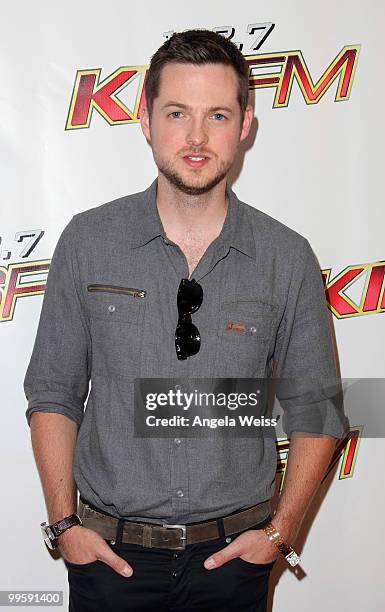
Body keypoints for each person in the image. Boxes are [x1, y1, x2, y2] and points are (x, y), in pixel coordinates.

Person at [24, 29, 347, 612]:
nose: (197, 138)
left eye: (218, 115)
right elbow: (52, 392)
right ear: (146, 120)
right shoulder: (88, 241)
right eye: (177, 113)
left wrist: (280, 533)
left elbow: (318, 410)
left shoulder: (286, 257)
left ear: (245, 124)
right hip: (109, 562)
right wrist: (64, 525)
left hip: (234, 564)